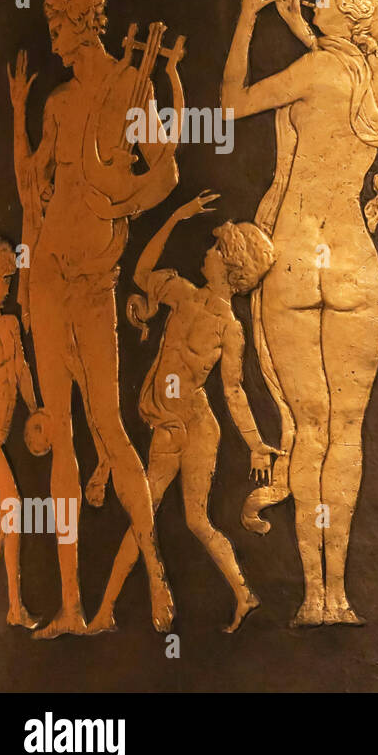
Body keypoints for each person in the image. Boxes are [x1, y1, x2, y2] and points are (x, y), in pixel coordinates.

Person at [220, 0, 378, 626]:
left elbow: (231, 106)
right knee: (346, 432)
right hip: (352, 259)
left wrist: (247, 21)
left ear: (356, 12)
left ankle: (312, 596)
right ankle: (341, 594)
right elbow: (346, 75)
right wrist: (305, 25)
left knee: (309, 428)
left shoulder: (311, 70)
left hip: (294, 257)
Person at [9, 0, 178, 637]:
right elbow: (36, 186)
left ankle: (158, 577)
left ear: (86, 23)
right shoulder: (58, 102)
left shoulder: (133, 90)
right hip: (49, 275)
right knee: (62, 436)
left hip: (94, 281)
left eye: (58, 25)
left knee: (108, 424)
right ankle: (73, 608)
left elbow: (164, 173)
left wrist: (120, 202)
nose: (51, 37)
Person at [87, 191, 276, 634]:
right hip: (172, 422)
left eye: (215, 249)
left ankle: (241, 594)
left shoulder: (230, 328)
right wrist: (174, 216)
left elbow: (233, 391)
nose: (205, 253)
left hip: (192, 425)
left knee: (186, 518)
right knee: (148, 514)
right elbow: (140, 273)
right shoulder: (185, 295)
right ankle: (105, 611)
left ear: (229, 269)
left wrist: (255, 446)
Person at [0, 239, 41, 641]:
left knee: (2, 530)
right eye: (2, 280)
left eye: (11, 280)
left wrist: (37, 411)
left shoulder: (12, 326)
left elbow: (22, 371)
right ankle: (14, 608)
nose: (8, 288)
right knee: (12, 509)